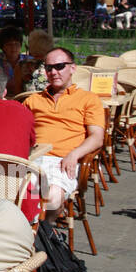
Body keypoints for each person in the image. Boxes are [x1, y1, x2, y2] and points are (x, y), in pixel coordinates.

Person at [21, 49, 104, 220]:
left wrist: (74, 155)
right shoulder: (33, 100)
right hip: (32, 157)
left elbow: (97, 137)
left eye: (59, 66)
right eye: (49, 68)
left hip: (63, 160)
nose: (53, 72)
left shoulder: (88, 99)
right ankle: (29, 235)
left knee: (50, 198)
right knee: (5, 193)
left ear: (73, 68)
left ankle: (42, 234)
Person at [11, 29, 53, 96]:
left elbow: (17, 92)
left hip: (27, 102)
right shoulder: (54, 66)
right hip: (49, 102)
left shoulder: (21, 66)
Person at [0, 25, 24, 89]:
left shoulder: (28, 60)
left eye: (17, 44)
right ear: (2, 46)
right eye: (9, 44)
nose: (13, 47)